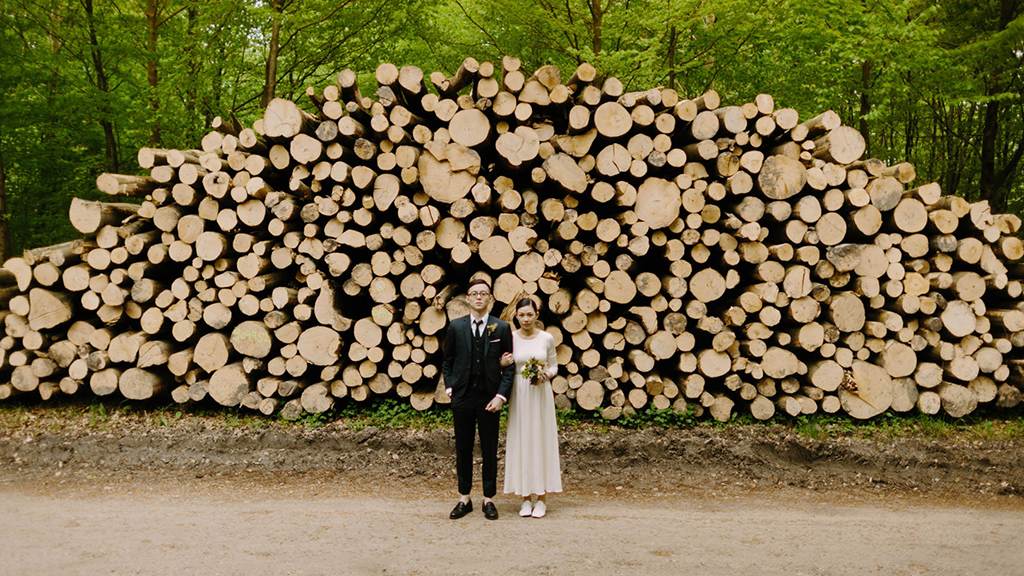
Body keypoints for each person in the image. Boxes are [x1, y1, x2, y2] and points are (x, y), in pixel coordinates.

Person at [441, 278, 514, 520]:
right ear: (468, 299)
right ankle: (464, 498)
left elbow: (510, 365)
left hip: (489, 398)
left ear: (491, 298)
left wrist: (501, 396)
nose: (479, 297)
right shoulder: (456, 326)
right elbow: (447, 361)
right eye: (474, 294)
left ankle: (488, 499)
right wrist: (451, 388)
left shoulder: (501, 328)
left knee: (489, 448)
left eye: (484, 293)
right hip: (462, 397)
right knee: (463, 448)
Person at [500, 297, 561, 518]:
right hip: (519, 393)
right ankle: (525, 497)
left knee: (541, 440)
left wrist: (545, 375)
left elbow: (554, 365)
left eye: (529, 314)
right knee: (522, 440)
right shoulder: (511, 338)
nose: (525, 319)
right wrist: (502, 364)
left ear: (536, 315)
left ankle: (542, 498)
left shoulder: (547, 338)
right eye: (521, 315)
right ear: (516, 315)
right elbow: (504, 362)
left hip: (540, 393)